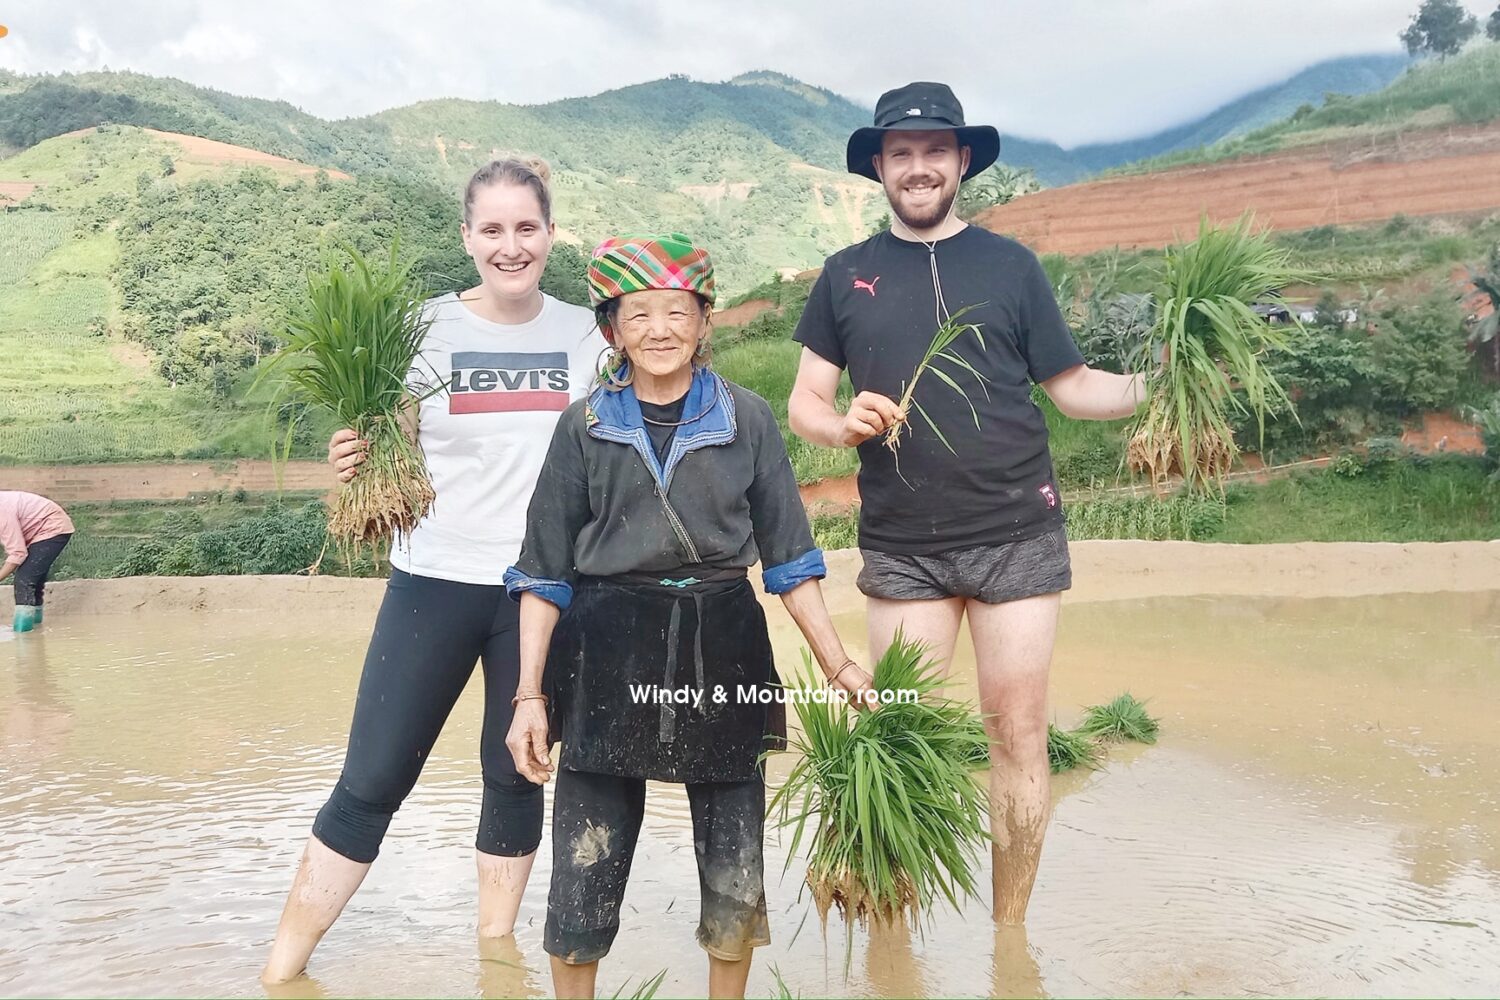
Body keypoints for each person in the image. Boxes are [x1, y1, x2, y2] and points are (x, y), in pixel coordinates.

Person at [787, 82, 1150, 925]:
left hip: (1015, 533)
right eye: (901, 153)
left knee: (1018, 734)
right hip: (904, 543)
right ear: (879, 166)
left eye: (935, 151)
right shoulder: (846, 275)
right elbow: (808, 397)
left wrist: (1168, 387)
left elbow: (1074, 387)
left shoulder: (1011, 266)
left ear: (961, 162)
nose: (919, 167)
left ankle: (1009, 932)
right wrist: (840, 426)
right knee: (898, 734)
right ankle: (889, 933)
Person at [262, 157, 608, 984]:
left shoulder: (587, 334)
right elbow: (386, 452)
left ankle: (498, 959)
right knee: (373, 777)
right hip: (435, 581)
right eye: (492, 229)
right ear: (467, 236)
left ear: (550, 234)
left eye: (526, 228)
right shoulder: (420, 332)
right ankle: (279, 969)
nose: (511, 245)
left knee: (516, 772)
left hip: (544, 593)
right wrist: (354, 459)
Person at [503, 233, 874, 1000]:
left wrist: (840, 664)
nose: (660, 329)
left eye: (678, 310)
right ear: (612, 329)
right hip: (605, 651)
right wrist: (528, 695)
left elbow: (791, 564)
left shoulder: (750, 419)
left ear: (706, 321)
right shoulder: (582, 427)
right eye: (638, 314)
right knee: (583, 864)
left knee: (735, 864)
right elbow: (542, 572)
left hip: (725, 645)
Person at [1, 490, 74, 633]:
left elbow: (17, 553)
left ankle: (22, 635)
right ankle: (36, 631)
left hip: (52, 527)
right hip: (39, 528)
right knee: (35, 580)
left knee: (25, 580)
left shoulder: (2, 513)